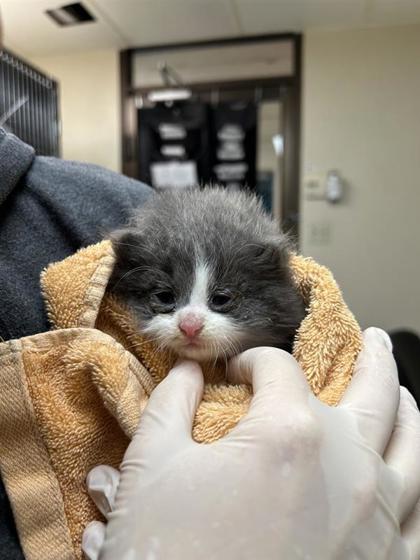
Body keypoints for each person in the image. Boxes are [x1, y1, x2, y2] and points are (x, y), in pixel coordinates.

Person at [1, 129, 420, 559]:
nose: (191, 323)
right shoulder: (105, 228)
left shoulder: (91, 200)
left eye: (221, 300)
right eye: (166, 298)